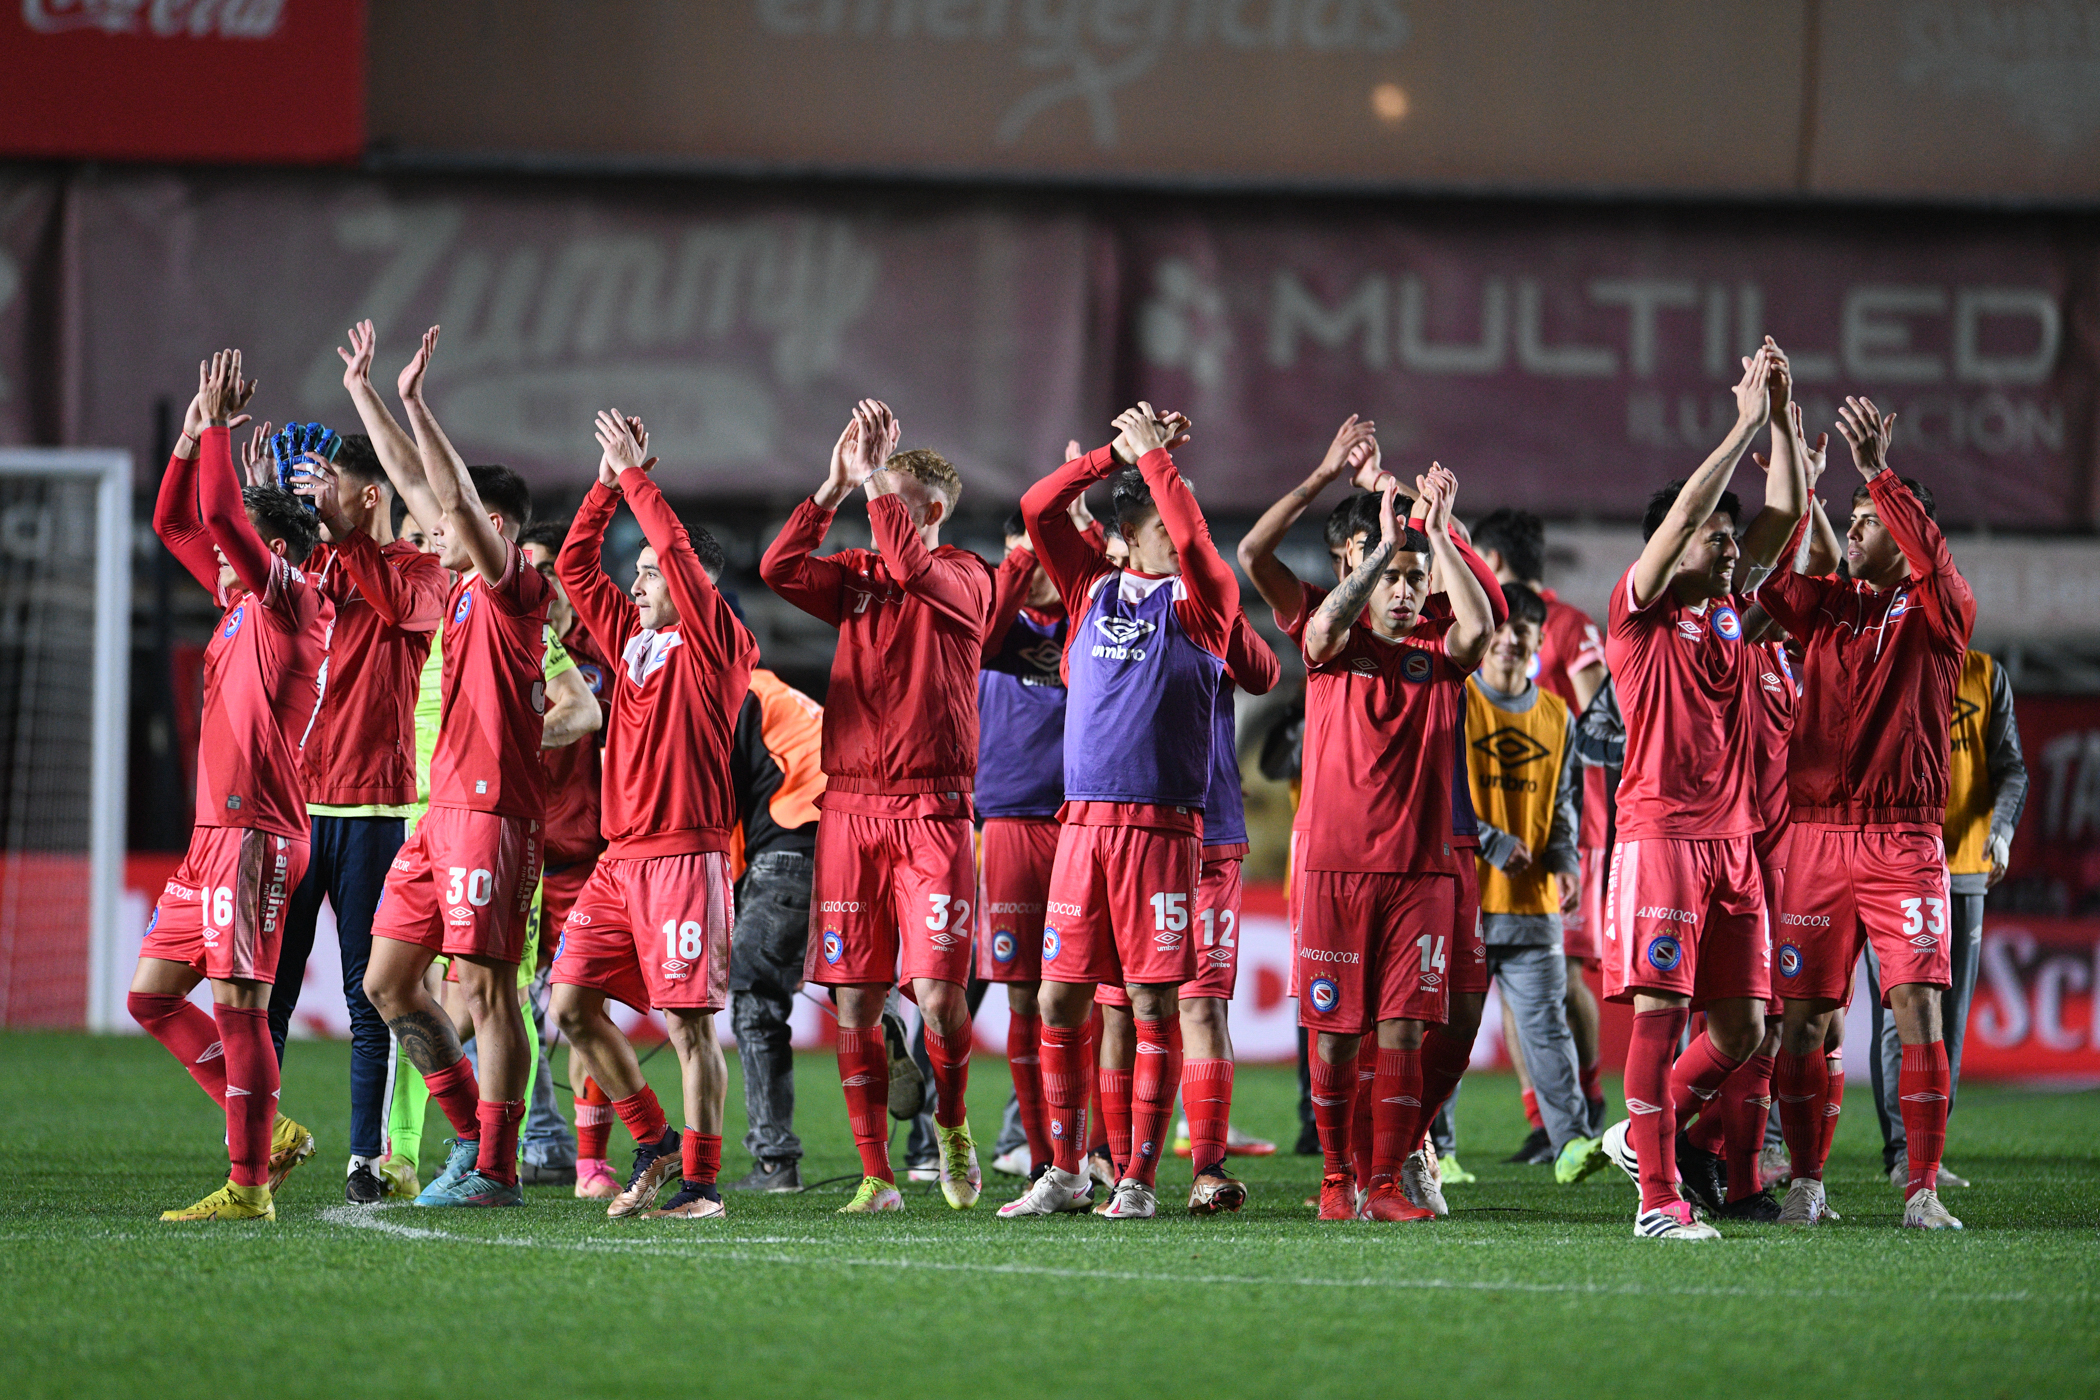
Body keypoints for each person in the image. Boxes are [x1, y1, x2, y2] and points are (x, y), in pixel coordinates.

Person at [996, 404, 1235, 1221]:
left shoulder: (1202, 604)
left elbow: (1202, 547)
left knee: (1150, 1003)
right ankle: (1067, 1169)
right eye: (1166, 523)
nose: (1184, 529)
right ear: (1128, 538)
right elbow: (1035, 509)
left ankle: (1137, 1179)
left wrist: (1159, 460)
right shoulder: (1092, 588)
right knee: (1060, 999)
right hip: (1082, 827)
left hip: (1161, 829)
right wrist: (1111, 456)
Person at [1594, 340, 1805, 1241]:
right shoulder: (1637, 609)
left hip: (1731, 842)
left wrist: (1786, 420)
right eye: (1716, 539)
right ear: (1673, 548)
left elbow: (1788, 514)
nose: (1731, 550)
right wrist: (1739, 426)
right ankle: (1656, 1199)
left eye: (1730, 540)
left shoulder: (1725, 611)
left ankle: (1639, 1139)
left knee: (1746, 1029)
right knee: (1660, 1014)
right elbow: (1685, 516)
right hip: (1658, 838)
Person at [760, 399, 993, 1214]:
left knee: (935, 994)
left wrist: (874, 490)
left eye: (882, 495)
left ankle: (954, 1126)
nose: (870, 502)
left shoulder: (966, 578)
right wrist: (829, 488)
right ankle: (877, 1175)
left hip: (931, 811)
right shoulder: (860, 576)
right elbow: (780, 571)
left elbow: (915, 570)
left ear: (926, 510)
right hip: (853, 808)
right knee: (855, 1001)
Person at [1757, 396, 1977, 1230]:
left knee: (1916, 1004)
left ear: (1900, 525)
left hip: (1901, 840)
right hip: (1815, 839)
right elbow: (1771, 580)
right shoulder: (1831, 607)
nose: (1854, 530)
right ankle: (1809, 1181)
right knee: (1807, 1018)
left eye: (1866, 519)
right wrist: (1804, 486)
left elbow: (1933, 560)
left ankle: (1920, 1187)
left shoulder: (1938, 610)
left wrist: (1878, 475)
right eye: (1850, 518)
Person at [131, 350, 333, 1221]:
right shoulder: (245, 604)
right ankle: (270, 1131)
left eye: (239, 543)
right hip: (214, 835)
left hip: (257, 834)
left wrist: (214, 420)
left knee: (242, 1010)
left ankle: (249, 1188)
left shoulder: (293, 602)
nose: (217, 553)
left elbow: (215, 511)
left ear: (273, 549)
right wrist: (187, 437)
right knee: (151, 996)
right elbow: (177, 520)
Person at [357, 324, 553, 1209]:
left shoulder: (513, 590)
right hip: (438, 814)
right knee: (386, 982)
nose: (423, 530)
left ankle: (496, 1170)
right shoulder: (458, 590)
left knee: (485, 989)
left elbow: (452, 496)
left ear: (490, 529)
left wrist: (417, 402)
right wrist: (366, 392)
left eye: (443, 526)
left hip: (492, 812)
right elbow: (413, 484)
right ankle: (472, 1137)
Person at [548, 411, 758, 1220]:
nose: (637, 582)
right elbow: (573, 564)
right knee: (570, 1006)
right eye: (634, 572)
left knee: (689, 1027)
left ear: (692, 584)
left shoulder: (718, 644)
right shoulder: (631, 641)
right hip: (619, 858)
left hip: (684, 854)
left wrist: (639, 478)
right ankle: (657, 1142)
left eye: (649, 572)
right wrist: (604, 487)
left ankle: (702, 1186)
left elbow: (673, 551)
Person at [1283, 464, 1496, 1222]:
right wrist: (1383, 549)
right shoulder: (1332, 647)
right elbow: (1323, 625)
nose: (1404, 591)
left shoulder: (1439, 652)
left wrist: (1436, 536)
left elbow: (1483, 630)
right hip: (1336, 870)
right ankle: (1336, 1178)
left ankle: (1381, 1184)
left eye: (1415, 579)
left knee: (1406, 1026)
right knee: (1338, 1037)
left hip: (1422, 870)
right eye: (1392, 577)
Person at [245, 421, 446, 1205]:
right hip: (293, 813)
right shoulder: (311, 565)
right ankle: (253, 1151)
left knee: (371, 996)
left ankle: (370, 1157)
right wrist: (266, 509)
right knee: (271, 994)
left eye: (328, 482)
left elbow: (396, 605)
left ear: (369, 496)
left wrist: (337, 535)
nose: (315, 494)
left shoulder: (422, 570)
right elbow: (252, 589)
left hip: (374, 812)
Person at [1472, 507, 1609, 1142]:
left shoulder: (1568, 628)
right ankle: (1542, 1122)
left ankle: (1589, 1100)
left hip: (1571, 826)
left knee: (1566, 973)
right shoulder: (1482, 635)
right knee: (1512, 990)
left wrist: (1575, 839)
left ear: (1493, 562)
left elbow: (1605, 729)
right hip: (1498, 832)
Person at [1864, 644, 2025, 1186]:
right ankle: (1899, 1156)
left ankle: (1927, 1149)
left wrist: (1999, 832)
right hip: (1892, 863)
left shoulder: (1984, 674)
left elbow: (2012, 770)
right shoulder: (1885, 659)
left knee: (1948, 1019)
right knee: (1897, 1012)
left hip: (1964, 868)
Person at [975, 491, 1096, 1183]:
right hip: (1014, 823)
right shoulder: (994, 623)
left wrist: (1078, 530)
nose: (1045, 565)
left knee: (1098, 994)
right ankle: (1040, 1151)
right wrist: (1023, 552)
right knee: (1023, 993)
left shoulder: (1086, 620)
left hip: (1085, 821)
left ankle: (1097, 1147)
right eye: (1030, 553)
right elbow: (988, 622)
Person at [520, 520, 612, 1192]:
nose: (538, 581)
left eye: (549, 569)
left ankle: (588, 1162)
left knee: (581, 1012)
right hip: (512, 857)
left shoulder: (605, 654)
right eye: (527, 568)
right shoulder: (504, 641)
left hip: (583, 863)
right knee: (494, 1005)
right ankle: (515, 1135)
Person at [724, 662, 825, 1192]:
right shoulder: (782, 693)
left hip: (789, 847)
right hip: (850, 845)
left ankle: (774, 1159)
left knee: (755, 1002)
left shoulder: (737, 693)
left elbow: (725, 807)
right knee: (861, 1000)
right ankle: (927, 1148)